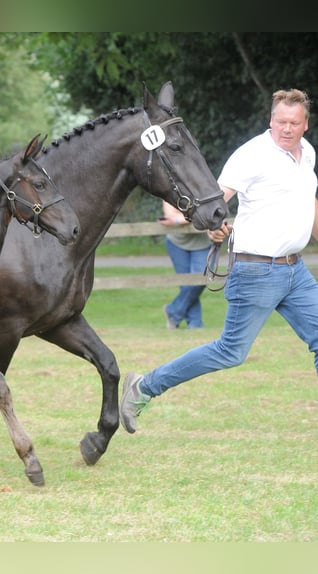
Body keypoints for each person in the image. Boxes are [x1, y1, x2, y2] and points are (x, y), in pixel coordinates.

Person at [120, 88, 318, 433]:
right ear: (271, 120)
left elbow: (308, 203)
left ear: (305, 124)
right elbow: (213, 199)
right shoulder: (252, 155)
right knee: (230, 352)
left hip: (294, 270)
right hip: (256, 269)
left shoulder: (308, 154)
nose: (286, 128)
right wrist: (211, 226)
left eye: (294, 123)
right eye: (280, 121)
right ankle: (144, 387)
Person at [159, 201, 213, 329]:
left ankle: (172, 311)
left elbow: (204, 216)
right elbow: (169, 215)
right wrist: (191, 217)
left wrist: (179, 219)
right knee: (186, 284)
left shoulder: (202, 192)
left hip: (203, 244)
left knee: (200, 280)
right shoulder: (171, 192)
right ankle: (195, 324)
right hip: (176, 244)